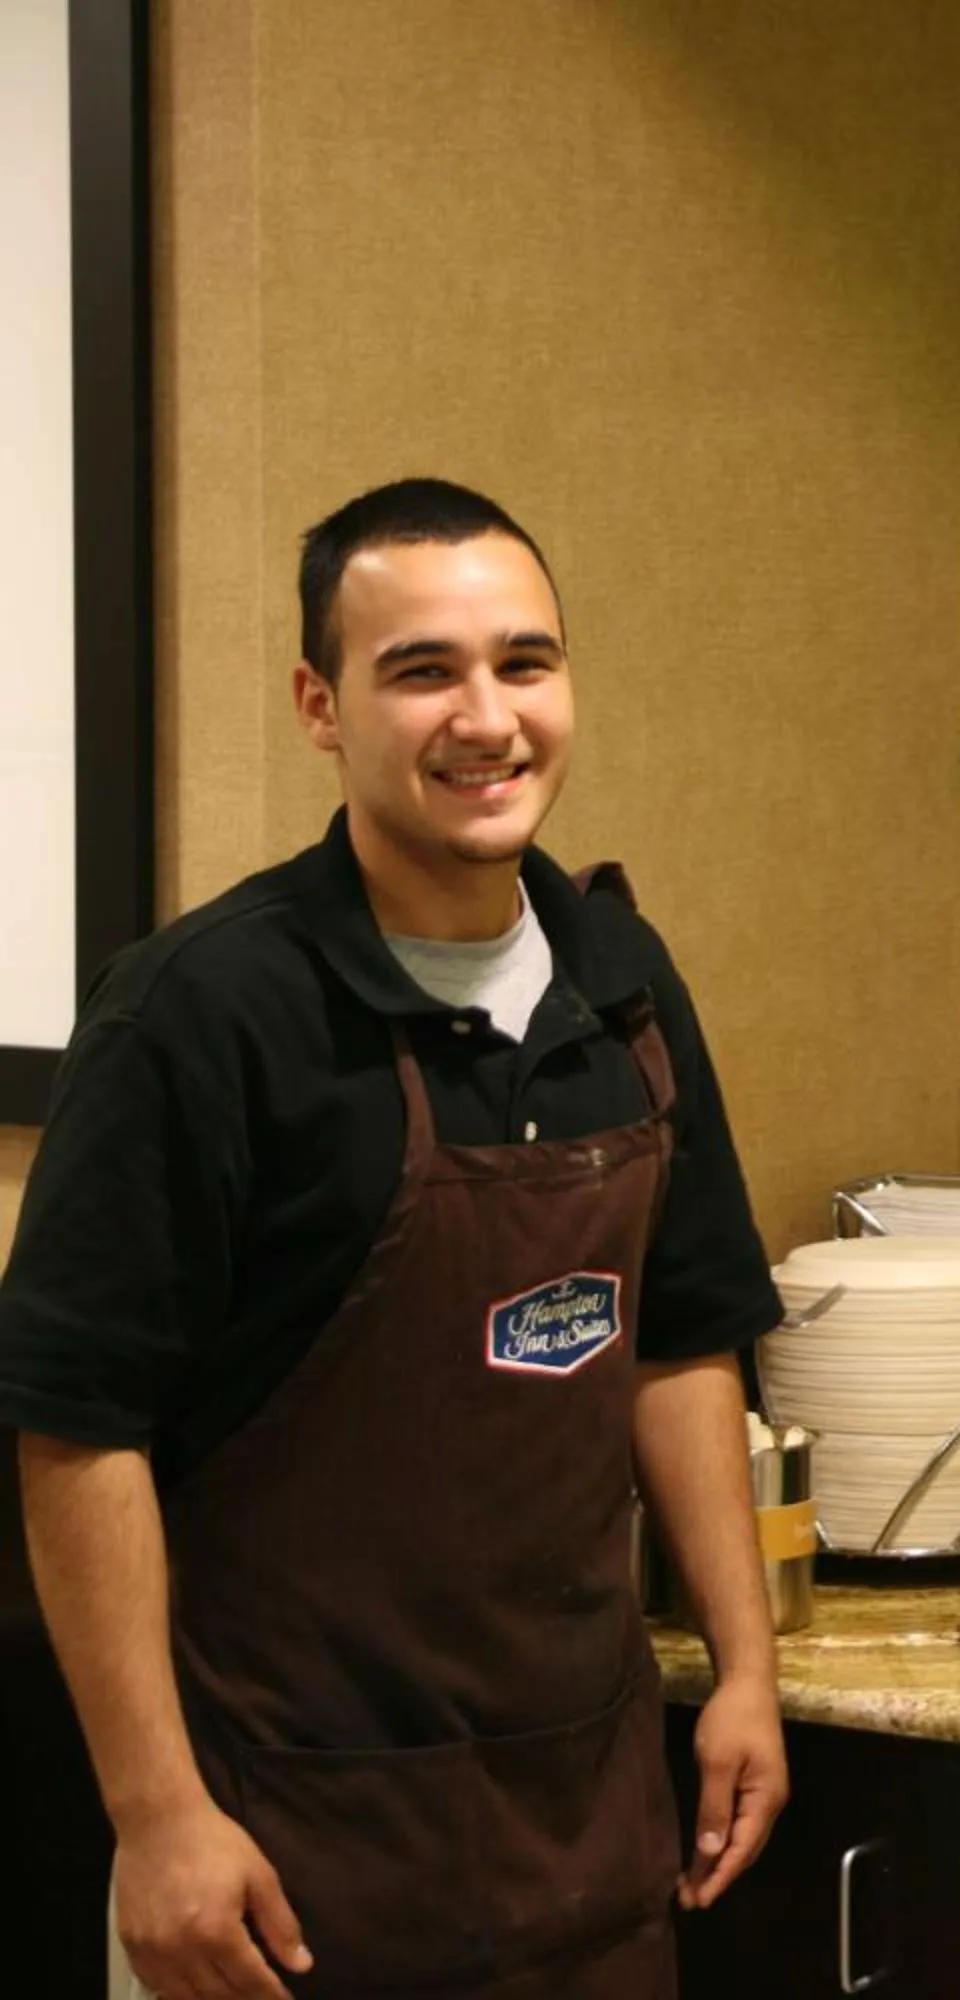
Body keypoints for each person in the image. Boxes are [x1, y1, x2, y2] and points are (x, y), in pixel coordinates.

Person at [0, 477, 790, 1999]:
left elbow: (681, 1344)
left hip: (588, 1836)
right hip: (281, 1859)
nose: (486, 718)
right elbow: (72, 1431)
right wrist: (157, 1819)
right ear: (320, 703)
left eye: (525, 663)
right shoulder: (203, 1014)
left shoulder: (622, 983)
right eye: (422, 670)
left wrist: (744, 1672)